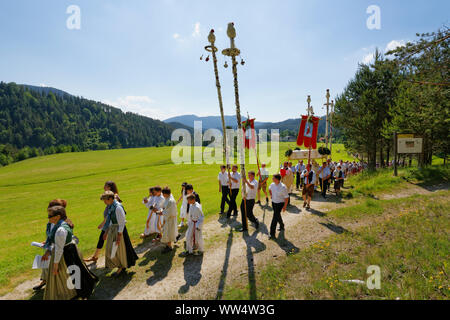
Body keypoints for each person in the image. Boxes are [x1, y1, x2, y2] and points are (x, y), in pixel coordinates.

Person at [43, 206, 98, 300]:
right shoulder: (62, 225)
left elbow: (59, 249)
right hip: (69, 250)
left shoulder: (60, 230)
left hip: (66, 253)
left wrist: (55, 265)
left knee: (73, 273)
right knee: (76, 271)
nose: (48, 217)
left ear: (57, 216)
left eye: (50, 215)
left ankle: (82, 293)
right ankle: (77, 291)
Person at [33, 199, 74, 291]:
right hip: (51, 248)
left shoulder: (63, 225)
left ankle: (57, 287)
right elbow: (51, 235)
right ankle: (45, 280)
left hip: (58, 250)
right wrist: (46, 241)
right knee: (46, 265)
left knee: (56, 268)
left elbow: (60, 242)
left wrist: (49, 250)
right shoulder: (51, 222)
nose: (48, 216)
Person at [101, 191, 138, 276]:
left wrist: (118, 237)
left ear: (110, 199)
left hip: (118, 231)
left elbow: (122, 224)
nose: (104, 202)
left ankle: (121, 267)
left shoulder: (118, 207)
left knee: (118, 251)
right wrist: (106, 232)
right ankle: (119, 266)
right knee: (112, 250)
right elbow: (110, 221)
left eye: (105, 200)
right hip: (113, 230)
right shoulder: (111, 206)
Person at [85, 181, 121, 263]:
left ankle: (115, 257)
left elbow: (112, 212)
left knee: (110, 240)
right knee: (104, 238)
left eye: (106, 186)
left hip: (111, 223)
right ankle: (96, 256)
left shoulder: (113, 196)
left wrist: (103, 223)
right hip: (108, 222)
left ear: (110, 187)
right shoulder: (110, 196)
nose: (104, 187)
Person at [268, 174, 289, 240]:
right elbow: (269, 189)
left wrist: (285, 207)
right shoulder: (272, 184)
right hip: (274, 202)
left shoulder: (283, 187)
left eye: (273, 178)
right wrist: (271, 195)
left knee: (275, 217)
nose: (272, 179)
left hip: (280, 204)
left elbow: (286, 198)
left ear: (277, 179)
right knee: (277, 215)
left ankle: (272, 233)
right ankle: (282, 225)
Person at [159, 187, 178, 253]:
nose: (162, 195)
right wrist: (162, 211)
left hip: (170, 219)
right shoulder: (166, 199)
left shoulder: (171, 201)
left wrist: (162, 213)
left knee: (168, 232)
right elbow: (164, 207)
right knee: (166, 232)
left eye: (163, 194)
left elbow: (171, 212)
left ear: (166, 194)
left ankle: (169, 246)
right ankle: (168, 244)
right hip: (167, 218)